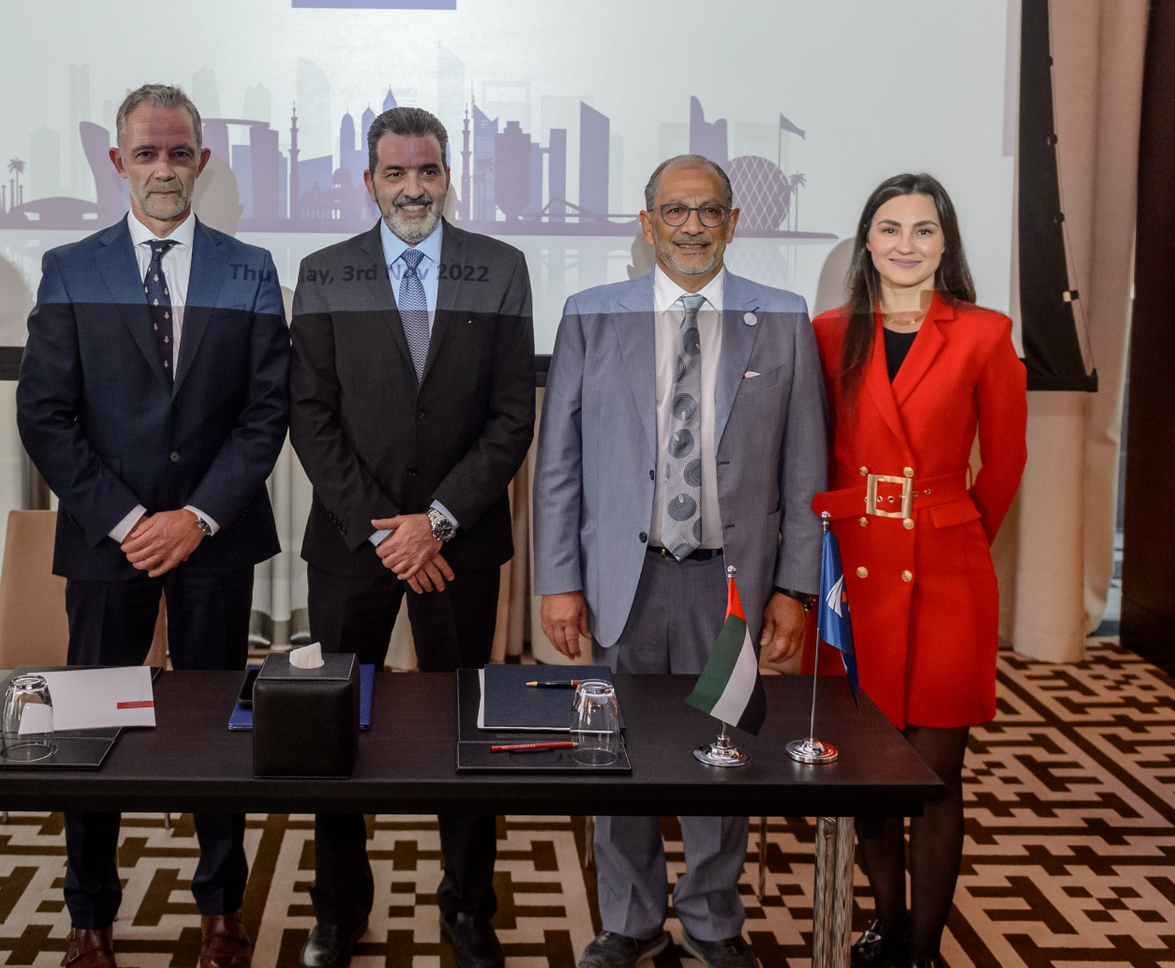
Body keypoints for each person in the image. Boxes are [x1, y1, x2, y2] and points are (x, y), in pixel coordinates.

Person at [17, 83, 290, 968]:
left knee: (217, 730)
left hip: (216, 538)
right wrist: (132, 519)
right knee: (89, 729)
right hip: (109, 541)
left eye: (178, 154)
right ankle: (90, 916)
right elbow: (45, 415)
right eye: (147, 153)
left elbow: (267, 412)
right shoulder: (71, 266)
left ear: (201, 161)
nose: (164, 169)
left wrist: (197, 517)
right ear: (118, 162)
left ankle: (221, 911)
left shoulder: (251, 268)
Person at [535, 154, 828, 968]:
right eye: (674, 210)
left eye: (708, 211)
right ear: (647, 223)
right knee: (613, 751)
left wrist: (795, 588)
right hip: (620, 581)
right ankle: (629, 919)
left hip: (730, 583)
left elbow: (806, 468)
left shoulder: (783, 317)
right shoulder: (591, 315)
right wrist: (558, 580)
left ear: (733, 223)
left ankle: (711, 918)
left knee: (722, 752)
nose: (691, 226)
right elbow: (559, 463)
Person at [288, 106, 535, 968]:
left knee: (467, 730)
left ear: (447, 177)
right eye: (395, 173)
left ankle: (468, 902)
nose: (413, 188)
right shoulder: (324, 273)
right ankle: (337, 909)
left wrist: (436, 523)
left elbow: (511, 416)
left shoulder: (499, 269)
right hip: (351, 544)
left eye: (427, 171)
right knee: (331, 731)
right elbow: (311, 416)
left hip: (459, 548)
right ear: (370, 182)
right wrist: (386, 531)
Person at [808, 174, 1026, 968]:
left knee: (935, 775)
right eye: (890, 228)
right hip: (854, 572)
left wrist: (954, 533)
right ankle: (888, 923)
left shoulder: (986, 334)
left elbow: (1005, 463)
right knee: (867, 769)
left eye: (924, 230)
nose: (907, 244)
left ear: (946, 243)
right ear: (867, 241)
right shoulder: (827, 333)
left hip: (946, 576)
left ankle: (924, 950)